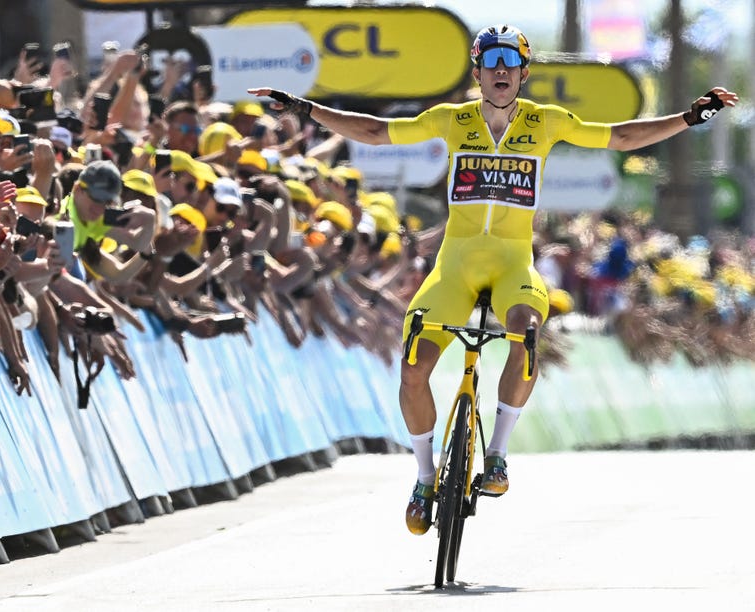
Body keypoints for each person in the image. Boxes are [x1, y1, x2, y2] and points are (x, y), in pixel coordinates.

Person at [249, 23, 739, 536]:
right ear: (479, 73)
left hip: (512, 265)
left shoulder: (546, 121)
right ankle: (422, 477)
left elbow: (621, 135)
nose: (501, 71)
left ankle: (499, 454)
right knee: (414, 366)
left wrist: (690, 116)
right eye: (491, 63)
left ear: (523, 74)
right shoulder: (451, 119)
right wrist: (306, 109)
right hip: (455, 265)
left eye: (510, 63)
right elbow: (373, 131)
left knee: (525, 332)